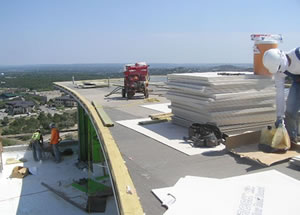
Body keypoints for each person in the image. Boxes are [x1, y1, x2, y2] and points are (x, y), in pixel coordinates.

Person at [263, 47, 300, 146]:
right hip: (298, 82)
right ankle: (292, 138)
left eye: (279, 67)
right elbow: (280, 94)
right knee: (291, 110)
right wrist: (279, 117)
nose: (279, 71)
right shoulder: (280, 72)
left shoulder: (298, 55)